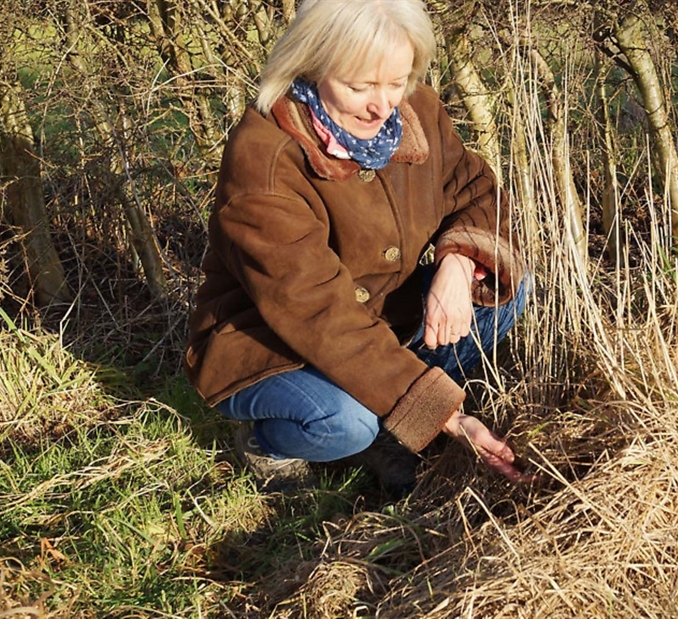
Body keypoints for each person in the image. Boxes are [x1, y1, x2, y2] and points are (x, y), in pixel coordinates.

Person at [184, 0, 529, 493]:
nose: (382, 104)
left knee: (502, 291)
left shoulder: (416, 111)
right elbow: (317, 313)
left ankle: (390, 401)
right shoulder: (263, 159)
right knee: (344, 421)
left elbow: (476, 190)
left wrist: (457, 262)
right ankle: (269, 444)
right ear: (312, 62)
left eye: (396, 81)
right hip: (273, 340)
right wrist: (447, 416)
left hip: (383, 319)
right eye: (360, 85)